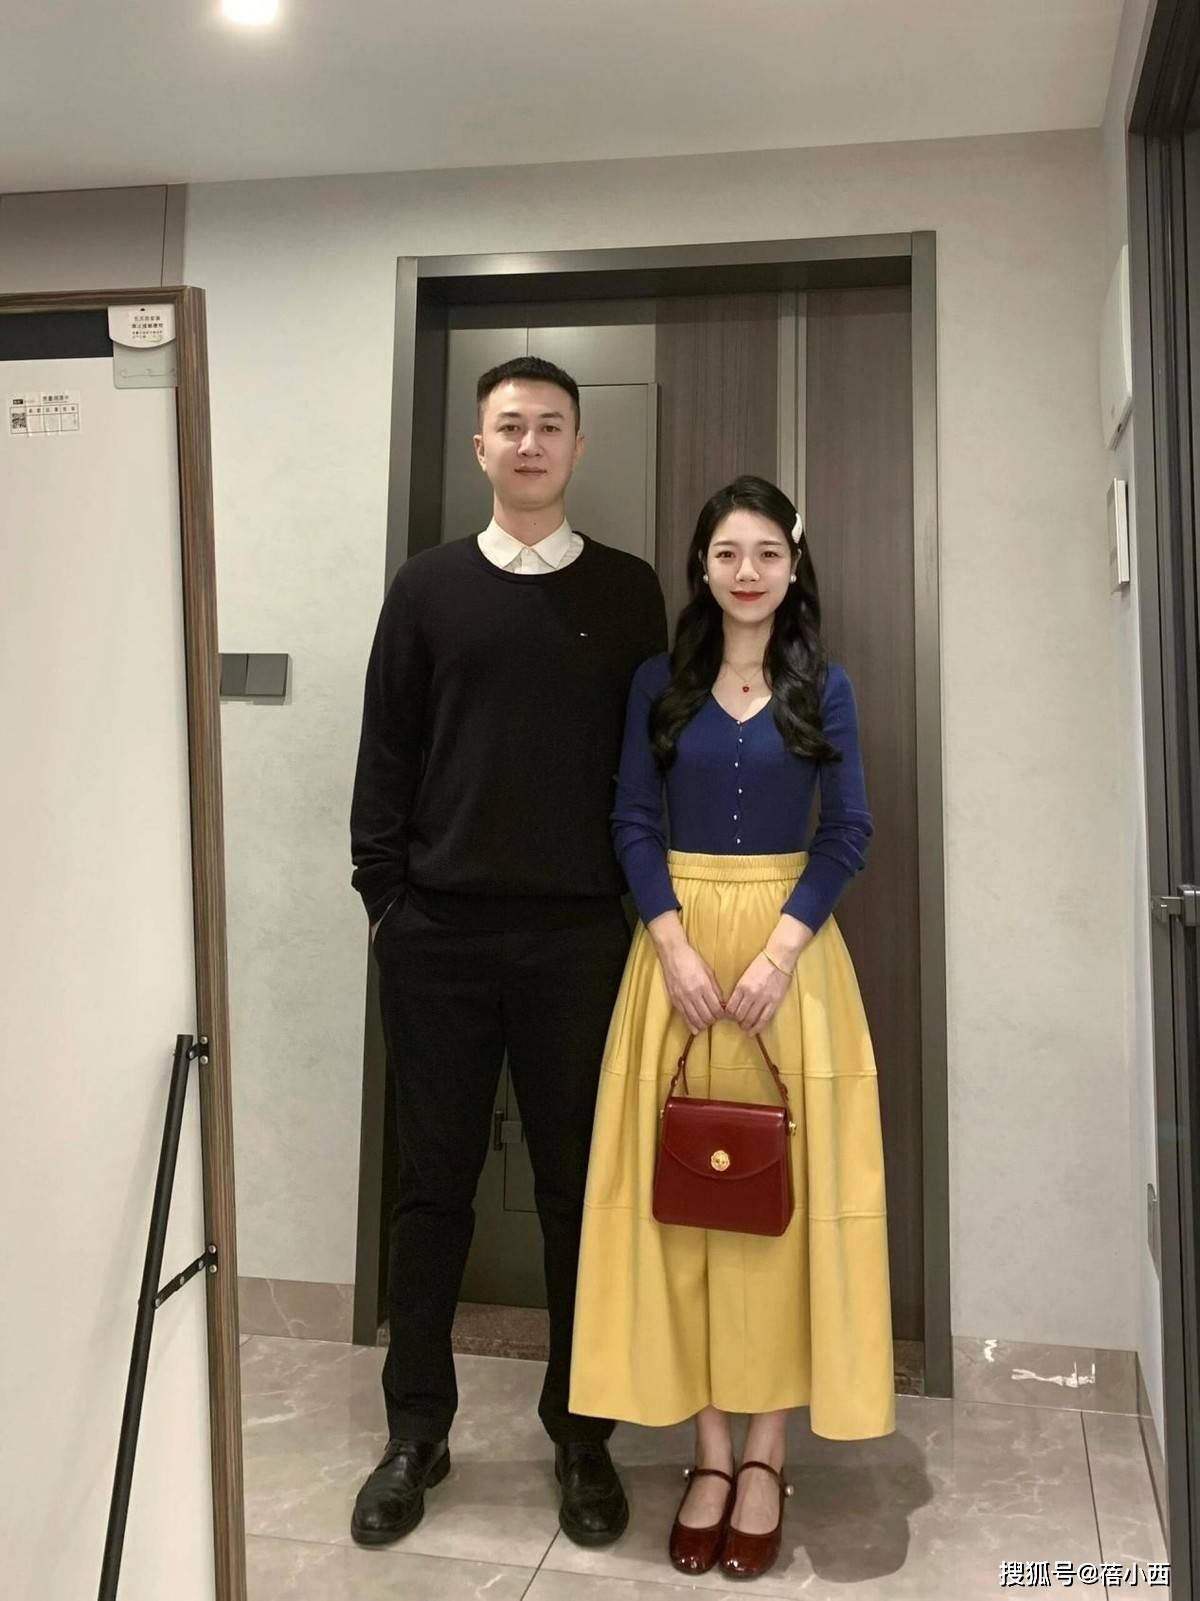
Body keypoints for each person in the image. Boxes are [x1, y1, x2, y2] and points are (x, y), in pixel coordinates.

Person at [348, 355, 668, 1548]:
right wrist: (385, 900)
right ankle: (415, 1430)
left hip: (579, 938)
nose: (530, 442)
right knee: (429, 1189)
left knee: (580, 1193)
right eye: (510, 425)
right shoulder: (427, 586)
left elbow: (651, 762)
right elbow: (386, 750)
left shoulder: (630, 592)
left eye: (551, 425)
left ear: (579, 446)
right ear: (480, 446)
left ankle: (580, 1432)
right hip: (435, 935)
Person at [569, 474, 896, 1582]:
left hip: (788, 966)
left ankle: (766, 1453)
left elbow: (848, 830)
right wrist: (669, 941)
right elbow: (630, 816)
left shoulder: (825, 686)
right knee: (688, 1202)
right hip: (676, 961)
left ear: (794, 567)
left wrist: (777, 951)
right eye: (726, 553)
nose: (746, 571)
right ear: (702, 567)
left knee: (779, 1206)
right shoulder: (659, 683)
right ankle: (708, 1454)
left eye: (766, 553)